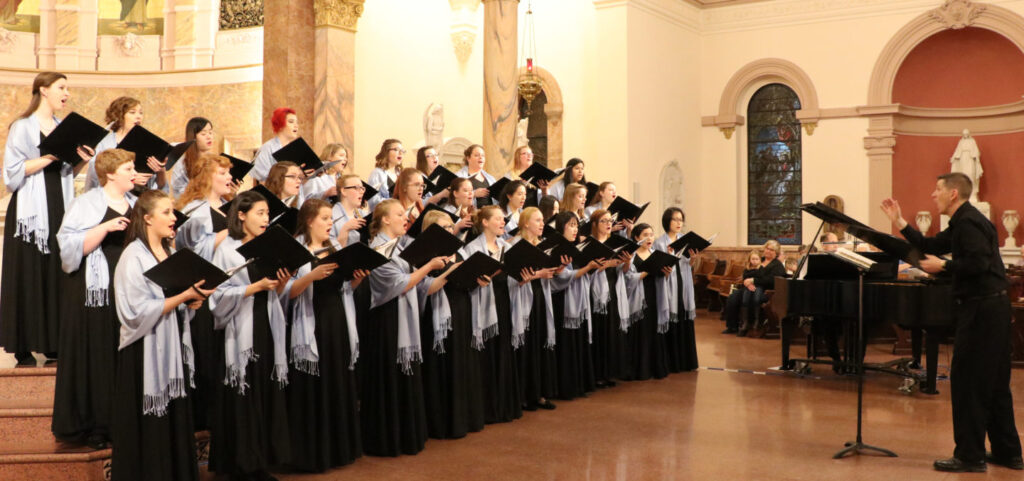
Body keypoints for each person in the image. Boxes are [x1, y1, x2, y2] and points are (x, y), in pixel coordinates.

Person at [881, 173, 1022, 473]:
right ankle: (1008, 452)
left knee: (968, 381)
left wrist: (943, 265)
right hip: (992, 307)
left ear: (953, 193)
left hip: (982, 309)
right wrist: (900, 222)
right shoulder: (963, 222)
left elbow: (978, 264)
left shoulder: (968, 223)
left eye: (938, 190)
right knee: (995, 383)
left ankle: (970, 456)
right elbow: (929, 244)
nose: (934, 195)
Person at [110, 189, 211, 481]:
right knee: (148, 424)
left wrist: (192, 300)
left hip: (171, 347)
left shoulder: (170, 253)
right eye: (166, 212)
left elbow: (174, 300)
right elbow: (134, 312)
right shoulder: (133, 256)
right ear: (147, 218)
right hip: (143, 352)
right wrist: (183, 297)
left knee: (173, 419)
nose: (173, 218)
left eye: (173, 211)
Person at [2, 71, 92, 366]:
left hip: (58, 204)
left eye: (67, 88)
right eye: (61, 88)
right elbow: (12, 172)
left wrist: (81, 161)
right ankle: (23, 345)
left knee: (57, 273)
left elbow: (67, 174)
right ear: (43, 90)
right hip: (30, 212)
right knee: (29, 272)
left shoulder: (60, 127)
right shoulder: (23, 126)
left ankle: (53, 343)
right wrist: (51, 156)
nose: (66, 94)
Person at [53, 148, 136, 449]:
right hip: (93, 292)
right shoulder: (86, 203)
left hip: (125, 287)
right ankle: (95, 425)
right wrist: (103, 227)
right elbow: (67, 249)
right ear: (111, 173)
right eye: (128, 168)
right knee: (97, 354)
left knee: (120, 352)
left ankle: (123, 421)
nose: (133, 172)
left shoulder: (135, 203)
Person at [208, 191, 293, 481]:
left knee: (262, 392)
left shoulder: (266, 247)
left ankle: (259, 462)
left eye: (267, 213)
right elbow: (217, 297)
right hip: (239, 330)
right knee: (241, 395)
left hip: (265, 325)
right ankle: (238, 464)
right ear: (241, 215)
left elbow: (274, 294)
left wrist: (279, 284)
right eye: (259, 212)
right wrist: (254, 288)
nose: (265, 218)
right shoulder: (227, 250)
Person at [361, 199, 448, 456]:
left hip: (405, 318)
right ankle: (387, 440)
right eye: (399, 214)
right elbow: (398, 283)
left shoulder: (401, 247)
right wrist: (428, 267)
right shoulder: (376, 249)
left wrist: (448, 272)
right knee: (390, 378)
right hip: (386, 321)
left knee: (406, 376)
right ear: (385, 219)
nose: (405, 218)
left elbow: (424, 287)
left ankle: (407, 436)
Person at [286, 199, 368, 471]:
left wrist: (356, 278)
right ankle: (313, 454)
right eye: (324, 218)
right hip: (312, 323)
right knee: (315, 388)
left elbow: (344, 288)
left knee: (337, 382)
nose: (330, 223)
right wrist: (312, 275)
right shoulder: (297, 250)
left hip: (337, 323)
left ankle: (339, 449)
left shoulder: (334, 247)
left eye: (331, 218)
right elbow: (287, 294)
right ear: (310, 221)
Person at [174, 153, 234, 432]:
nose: (229, 178)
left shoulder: (225, 208)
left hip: (228, 288)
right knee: (205, 356)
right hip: (204, 291)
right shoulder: (197, 209)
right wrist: (231, 231)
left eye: (229, 173)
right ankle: (203, 418)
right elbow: (193, 253)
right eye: (222, 173)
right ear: (207, 176)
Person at [460, 205, 522, 424]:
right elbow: (466, 278)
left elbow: (512, 276)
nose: (502, 222)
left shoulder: (506, 247)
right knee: (485, 355)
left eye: (503, 219)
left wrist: (522, 278)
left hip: (504, 303)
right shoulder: (471, 249)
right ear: (485, 222)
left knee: (502, 352)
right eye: (497, 219)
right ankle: (486, 409)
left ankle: (503, 406)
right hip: (482, 306)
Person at [508, 207, 558, 410]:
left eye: (542, 220)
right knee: (525, 347)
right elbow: (511, 277)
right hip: (521, 300)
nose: (542, 224)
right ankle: (523, 396)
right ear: (525, 223)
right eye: (537, 220)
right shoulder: (513, 246)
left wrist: (556, 269)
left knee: (539, 343)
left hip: (539, 297)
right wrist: (539, 274)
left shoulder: (543, 246)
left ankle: (539, 394)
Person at [587, 209, 633, 386]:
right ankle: (598, 374)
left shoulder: (616, 243)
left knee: (612, 331)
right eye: (604, 221)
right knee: (600, 331)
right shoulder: (591, 244)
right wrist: (608, 264)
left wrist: (626, 262)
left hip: (614, 288)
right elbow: (588, 271)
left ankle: (609, 372)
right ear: (594, 225)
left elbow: (624, 271)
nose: (608, 224)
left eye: (610, 221)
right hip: (597, 294)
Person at [85, 96, 167, 192]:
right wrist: (130, 179)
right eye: (132, 112)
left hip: (142, 200)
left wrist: (161, 171)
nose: (138, 116)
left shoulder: (148, 143)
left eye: (141, 113)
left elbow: (160, 187)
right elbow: (96, 177)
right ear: (119, 116)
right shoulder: (104, 144)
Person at [652, 208, 699, 372]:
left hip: (683, 283)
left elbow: (687, 265)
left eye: (681, 219)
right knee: (672, 318)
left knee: (684, 318)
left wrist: (692, 259)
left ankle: (686, 361)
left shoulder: (684, 240)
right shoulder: (659, 242)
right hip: (668, 283)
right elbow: (658, 266)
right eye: (675, 219)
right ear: (667, 221)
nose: (679, 223)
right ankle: (672, 362)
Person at [628, 223, 669, 380]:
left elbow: (660, 276)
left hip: (654, 296)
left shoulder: (655, 254)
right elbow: (628, 279)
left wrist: (666, 273)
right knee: (641, 331)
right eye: (645, 234)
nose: (649, 238)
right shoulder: (631, 256)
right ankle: (640, 370)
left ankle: (655, 368)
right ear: (637, 237)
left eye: (651, 234)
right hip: (638, 299)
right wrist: (647, 271)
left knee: (653, 330)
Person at [727, 240, 784, 337]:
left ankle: (753, 324)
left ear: (776, 253)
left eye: (771, 250)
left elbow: (771, 280)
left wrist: (753, 281)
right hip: (749, 288)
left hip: (767, 291)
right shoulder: (759, 259)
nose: (768, 251)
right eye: (767, 248)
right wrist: (746, 282)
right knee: (733, 297)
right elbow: (747, 271)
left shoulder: (777, 265)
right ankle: (732, 326)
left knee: (754, 297)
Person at [169, 117, 216, 198]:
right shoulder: (183, 161)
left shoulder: (214, 160)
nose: (209, 137)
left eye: (210, 132)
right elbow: (178, 191)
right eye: (203, 134)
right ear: (193, 137)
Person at [251, 107, 300, 183]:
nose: (296, 125)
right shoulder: (267, 148)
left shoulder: (297, 150)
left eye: (297, 122)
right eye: (291, 122)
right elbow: (264, 181)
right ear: (280, 124)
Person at [330, 174, 368, 247]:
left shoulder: (363, 214)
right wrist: (345, 229)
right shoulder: (331, 216)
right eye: (357, 187)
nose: (362, 192)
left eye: (362, 188)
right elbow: (331, 251)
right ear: (344, 191)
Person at [455, 144, 496, 208]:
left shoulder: (490, 178)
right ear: (468, 158)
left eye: (483, 155)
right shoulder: (459, 177)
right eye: (477, 155)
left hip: (489, 214)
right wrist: (474, 194)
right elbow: (454, 198)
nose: (481, 157)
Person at [367, 138, 404, 204]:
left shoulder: (401, 173)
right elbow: (373, 200)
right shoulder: (377, 173)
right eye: (396, 150)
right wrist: (394, 202)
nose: (400, 153)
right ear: (386, 152)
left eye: (402, 150)